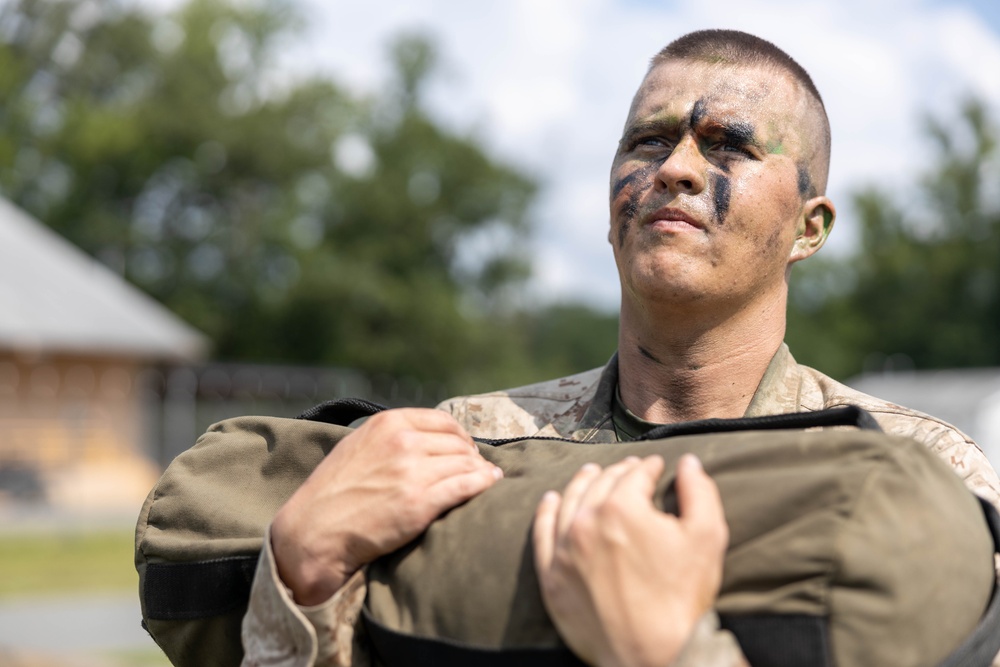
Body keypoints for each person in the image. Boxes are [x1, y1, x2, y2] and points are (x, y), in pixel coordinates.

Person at [240, 29, 1000, 667]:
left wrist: (671, 648)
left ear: (809, 228)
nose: (673, 168)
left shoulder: (923, 473)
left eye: (728, 144)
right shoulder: (465, 447)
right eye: (648, 139)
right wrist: (301, 582)